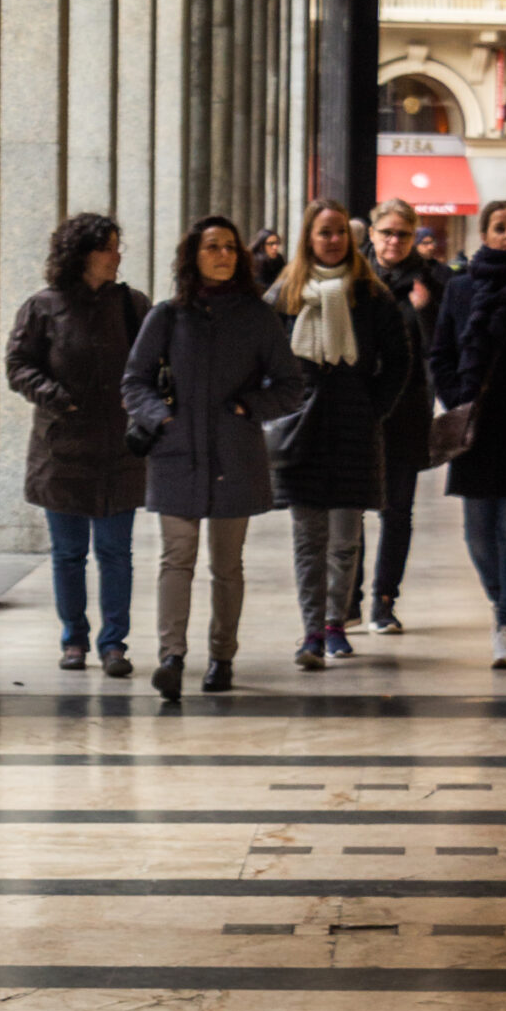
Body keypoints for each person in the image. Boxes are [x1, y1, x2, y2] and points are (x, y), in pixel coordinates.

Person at [122, 215, 303, 701]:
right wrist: (159, 417)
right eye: (211, 247)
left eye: (229, 247)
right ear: (192, 255)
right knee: (176, 557)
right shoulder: (167, 316)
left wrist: (250, 407)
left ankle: (222, 655)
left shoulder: (258, 317)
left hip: (235, 453)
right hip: (176, 452)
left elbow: (291, 386)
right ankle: (171, 657)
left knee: (227, 564)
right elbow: (134, 380)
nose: (222, 254)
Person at [266, 200, 409, 668]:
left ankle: (334, 624)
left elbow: (400, 359)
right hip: (302, 427)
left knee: (346, 536)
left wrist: (374, 407)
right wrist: (278, 408)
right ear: (308, 237)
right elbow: (262, 358)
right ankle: (310, 631)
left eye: (340, 234)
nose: (333, 240)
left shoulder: (371, 293)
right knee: (309, 538)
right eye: (324, 233)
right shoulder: (284, 294)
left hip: (353, 424)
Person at [5, 213, 148, 676]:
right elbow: (18, 366)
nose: (117, 255)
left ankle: (113, 644)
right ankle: (73, 639)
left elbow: (155, 364)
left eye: (116, 246)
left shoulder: (133, 305)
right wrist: (55, 397)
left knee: (115, 552)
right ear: (82, 254)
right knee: (68, 554)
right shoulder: (42, 308)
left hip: (120, 451)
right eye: (108, 247)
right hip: (61, 452)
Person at [429, 195, 506, 669]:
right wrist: (455, 397)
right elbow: (440, 352)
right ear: (484, 235)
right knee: (478, 533)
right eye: (499, 227)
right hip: (475, 428)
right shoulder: (461, 290)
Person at [363, 198, 441, 634]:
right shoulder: (353, 278)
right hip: (358, 412)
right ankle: (348, 597)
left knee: (397, 512)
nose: (394, 241)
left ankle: (384, 599)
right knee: (348, 508)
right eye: (387, 232)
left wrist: (426, 310)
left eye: (403, 234)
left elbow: (438, 350)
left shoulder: (431, 282)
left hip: (407, 411)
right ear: (372, 234)